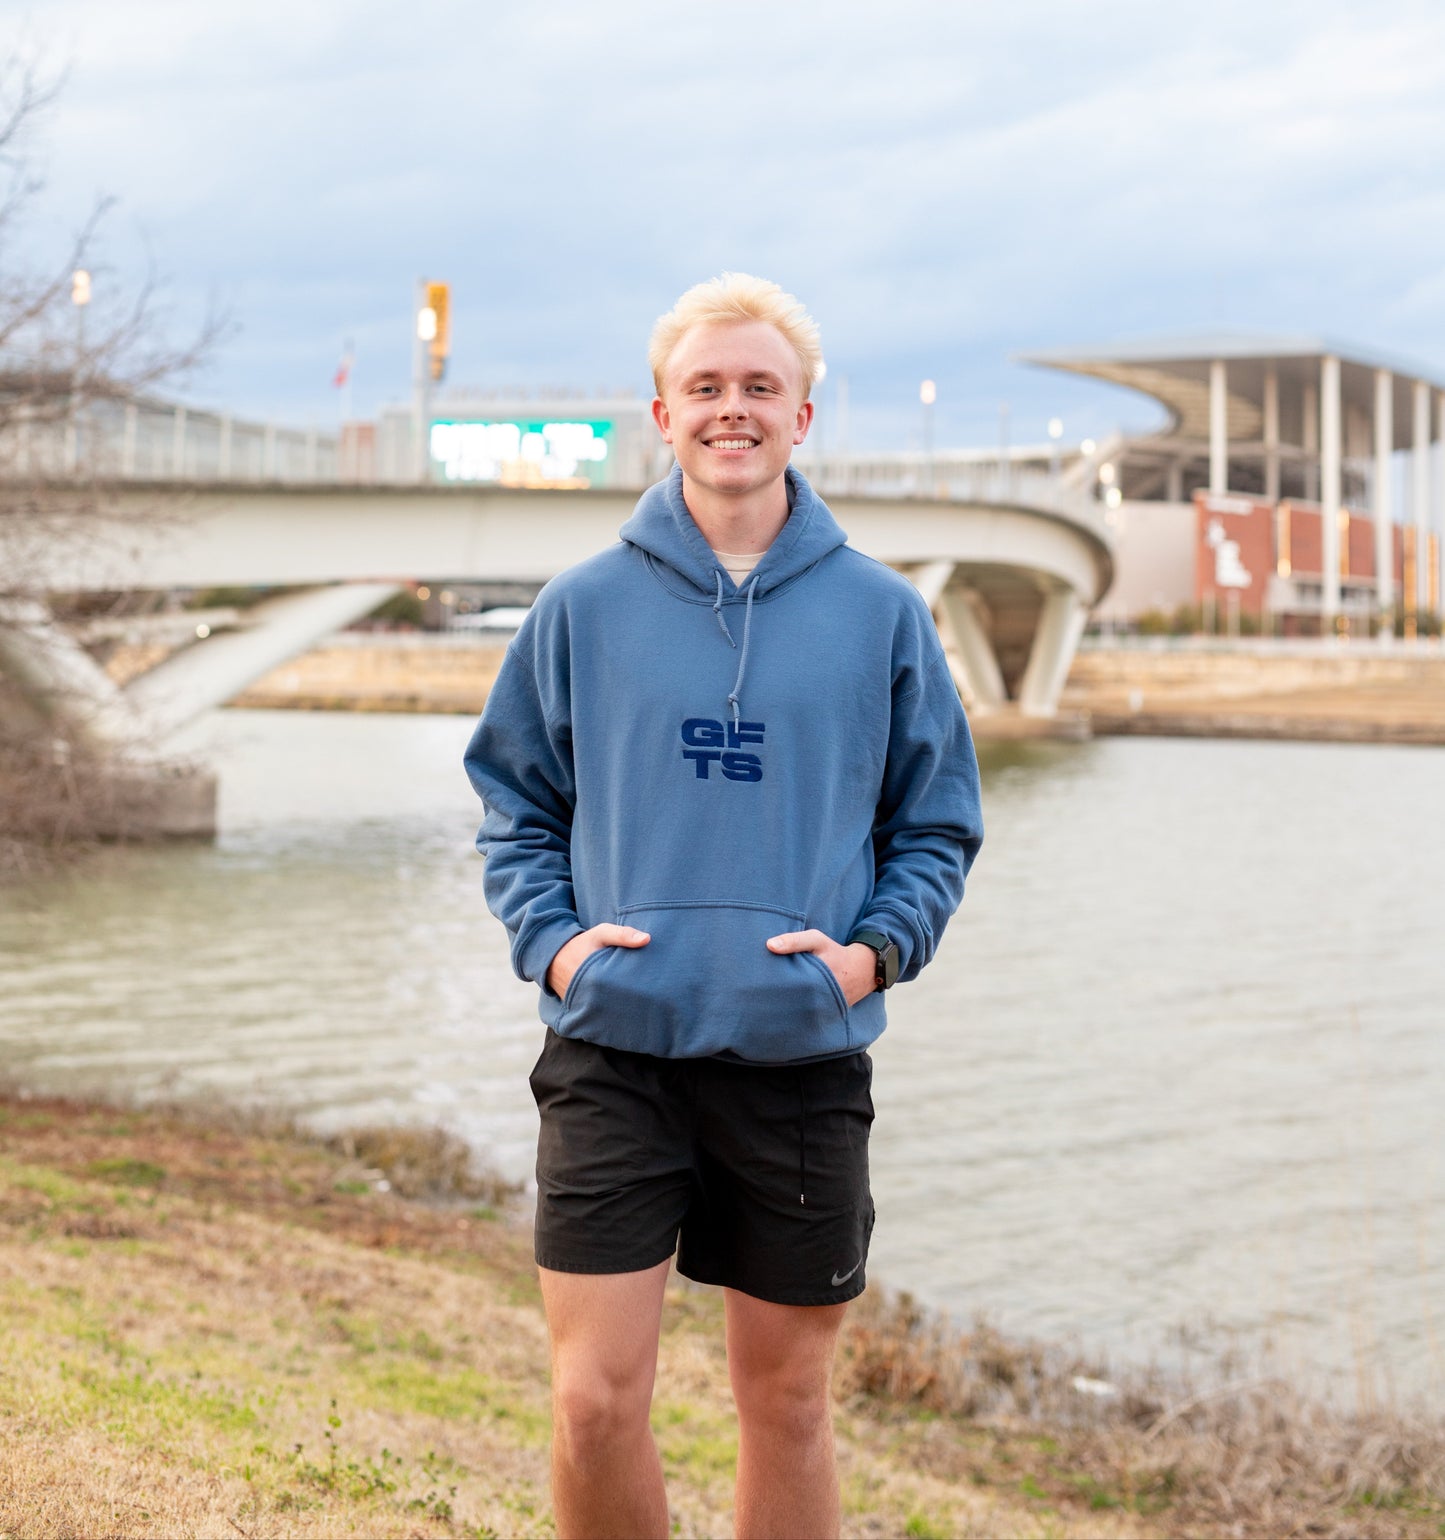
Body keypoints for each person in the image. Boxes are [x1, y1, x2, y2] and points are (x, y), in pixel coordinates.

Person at [463, 272, 982, 1539]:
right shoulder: (582, 605)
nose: (731, 410)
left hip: (800, 1060)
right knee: (592, 1401)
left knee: (790, 1402)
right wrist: (558, 946)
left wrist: (869, 956)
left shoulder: (881, 614)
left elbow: (936, 825)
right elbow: (513, 801)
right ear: (662, 412)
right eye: (706, 388)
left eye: (760, 388)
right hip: (612, 1052)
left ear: (803, 417)